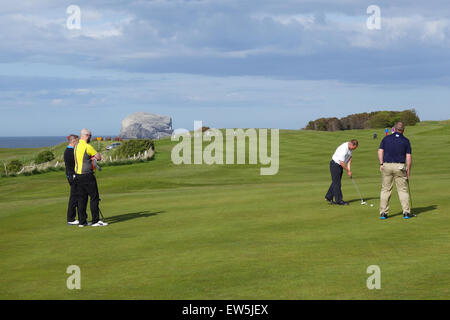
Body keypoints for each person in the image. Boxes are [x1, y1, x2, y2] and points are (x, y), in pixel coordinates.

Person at [378, 122, 412, 219]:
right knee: (402, 190)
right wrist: (408, 169)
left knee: (385, 190)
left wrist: (381, 163)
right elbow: (408, 157)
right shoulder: (406, 141)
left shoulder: (386, 138)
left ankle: (383, 213)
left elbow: (380, 151)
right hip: (400, 167)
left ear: (394, 129)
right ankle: (406, 212)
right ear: (403, 130)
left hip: (387, 165)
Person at [74, 128, 108, 227]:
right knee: (94, 197)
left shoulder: (76, 146)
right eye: (90, 136)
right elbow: (99, 157)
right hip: (87, 175)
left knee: (82, 199)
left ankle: (82, 221)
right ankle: (95, 221)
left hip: (78, 175)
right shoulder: (87, 146)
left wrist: (89, 157)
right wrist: (93, 157)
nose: (90, 137)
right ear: (86, 135)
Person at [325, 139, 359, 205]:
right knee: (337, 183)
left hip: (339, 165)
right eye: (354, 148)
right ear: (351, 144)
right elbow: (341, 162)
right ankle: (339, 200)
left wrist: (349, 169)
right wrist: (348, 171)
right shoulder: (344, 149)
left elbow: (349, 158)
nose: (353, 149)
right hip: (335, 165)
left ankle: (328, 196)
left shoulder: (350, 148)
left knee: (335, 182)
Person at [64, 134, 79, 225]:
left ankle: (75, 217)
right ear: (73, 141)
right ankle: (71, 219)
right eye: (77, 141)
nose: (78, 143)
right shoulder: (70, 151)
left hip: (72, 175)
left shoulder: (70, 150)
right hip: (72, 176)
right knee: (74, 197)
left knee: (76, 196)